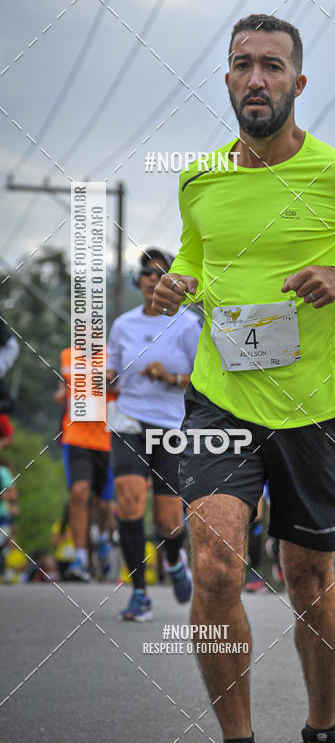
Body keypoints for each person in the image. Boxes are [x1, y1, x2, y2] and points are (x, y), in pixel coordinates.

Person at [152, 13, 335, 743]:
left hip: (314, 405)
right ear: (227, 79)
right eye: (243, 64)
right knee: (215, 564)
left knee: (308, 576)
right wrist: (181, 282)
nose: (256, 78)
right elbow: (197, 257)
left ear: (297, 83)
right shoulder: (198, 180)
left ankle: (321, 729)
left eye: (271, 66)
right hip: (221, 396)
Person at [107, 247, 202, 621]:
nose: (153, 279)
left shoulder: (188, 325)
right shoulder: (123, 325)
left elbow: (205, 379)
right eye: (147, 272)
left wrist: (171, 377)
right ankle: (139, 593)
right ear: (139, 280)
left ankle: (175, 560)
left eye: (162, 273)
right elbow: (113, 371)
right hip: (129, 420)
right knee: (130, 500)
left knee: (168, 521)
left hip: (172, 425)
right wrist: (104, 378)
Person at [53, 345, 117, 581]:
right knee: (79, 492)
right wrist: (61, 393)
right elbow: (64, 386)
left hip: (108, 438)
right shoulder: (67, 355)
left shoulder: (113, 354)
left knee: (103, 505)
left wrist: (110, 381)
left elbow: (124, 389)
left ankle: (104, 541)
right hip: (76, 436)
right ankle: (80, 558)